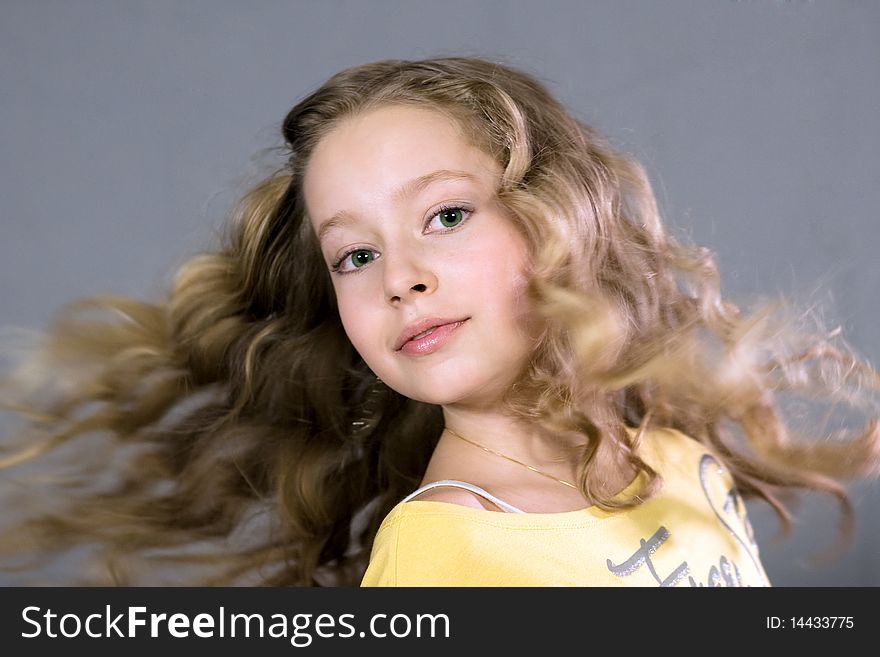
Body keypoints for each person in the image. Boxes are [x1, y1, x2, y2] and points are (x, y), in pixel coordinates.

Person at [1, 57, 878, 587]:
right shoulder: (444, 550)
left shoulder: (675, 455)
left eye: (447, 216)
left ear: (556, 217)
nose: (401, 280)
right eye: (355, 255)